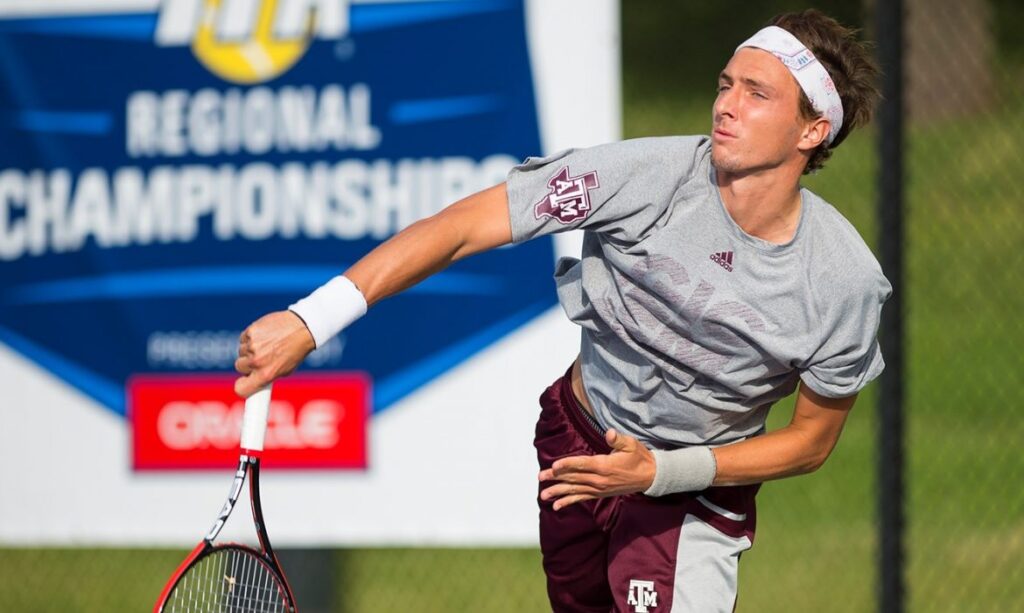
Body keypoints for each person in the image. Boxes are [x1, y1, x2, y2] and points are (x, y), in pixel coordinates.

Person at [234, 9, 889, 612]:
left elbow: (809, 443)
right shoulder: (641, 176)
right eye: (726, 83)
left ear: (813, 129)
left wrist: (663, 470)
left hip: (690, 492)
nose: (726, 105)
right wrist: (311, 319)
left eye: (757, 93)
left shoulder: (842, 281)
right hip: (577, 443)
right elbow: (464, 226)